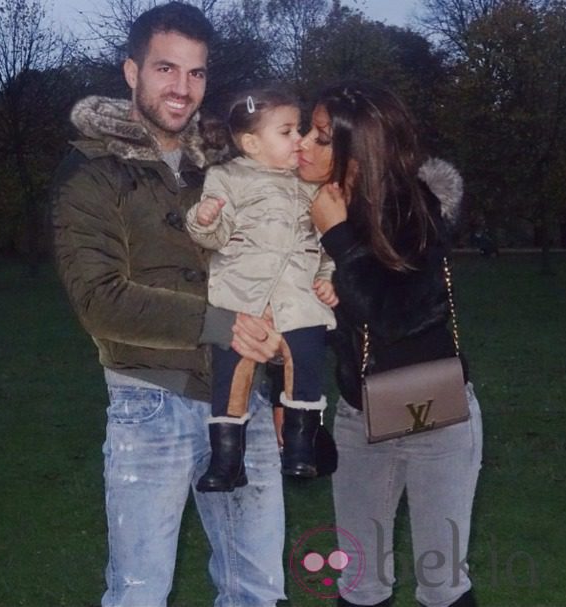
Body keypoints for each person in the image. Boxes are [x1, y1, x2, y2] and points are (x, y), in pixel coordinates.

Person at [50, 4, 287, 606]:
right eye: (166, 69)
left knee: (258, 591)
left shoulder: (231, 166)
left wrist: (288, 379)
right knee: (139, 593)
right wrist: (224, 324)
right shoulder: (91, 173)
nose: (182, 87)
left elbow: (274, 268)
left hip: (245, 398)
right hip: (150, 402)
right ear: (132, 72)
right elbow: (100, 299)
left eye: (196, 72)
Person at [298, 81, 483, 607]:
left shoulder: (414, 213)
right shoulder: (303, 209)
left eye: (320, 137)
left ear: (358, 155)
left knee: (442, 583)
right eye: (307, 130)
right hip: (360, 415)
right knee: (359, 582)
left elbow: (396, 317)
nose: (302, 144)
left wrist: (339, 237)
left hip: (436, 414)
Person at [186, 87, 338, 490]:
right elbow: (215, 237)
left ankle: (300, 448)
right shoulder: (227, 177)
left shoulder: (310, 185)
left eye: (299, 129)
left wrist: (326, 277)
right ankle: (226, 460)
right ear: (252, 143)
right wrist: (204, 219)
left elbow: (328, 244)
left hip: (298, 298)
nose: (299, 139)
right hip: (243, 300)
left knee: (305, 365)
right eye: (286, 132)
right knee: (231, 376)